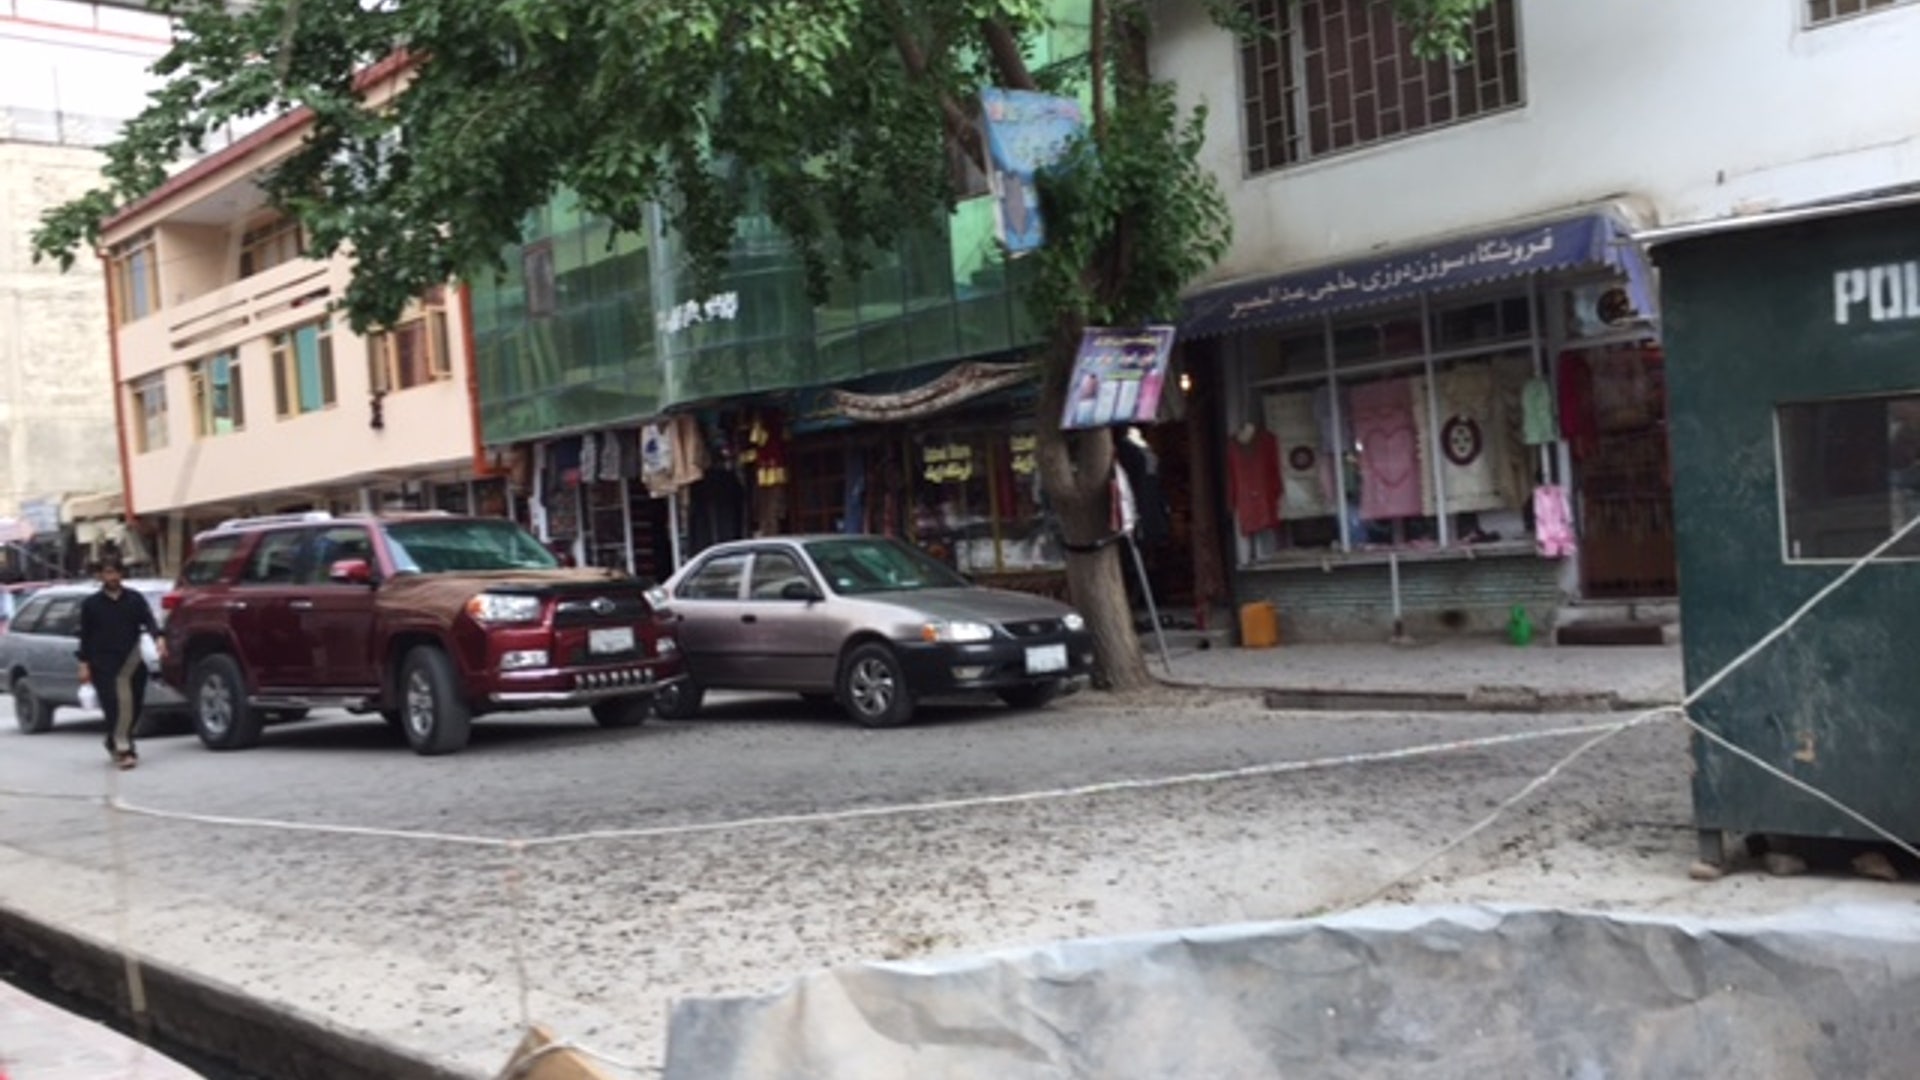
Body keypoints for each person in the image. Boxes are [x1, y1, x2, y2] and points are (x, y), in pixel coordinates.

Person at [76, 556, 166, 770]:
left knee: (133, 705)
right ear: (101, 576)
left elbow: (149, 621)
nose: (112, 577)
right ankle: (125, 750)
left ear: (121, 574)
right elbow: (85, 635)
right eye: (107, 573)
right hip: (103, 662)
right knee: (115, 706)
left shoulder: (134, 599)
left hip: (132, 660)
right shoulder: (91, 605)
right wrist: (83, 663)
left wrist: (159, 638)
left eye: (115, 572)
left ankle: (113, 740)